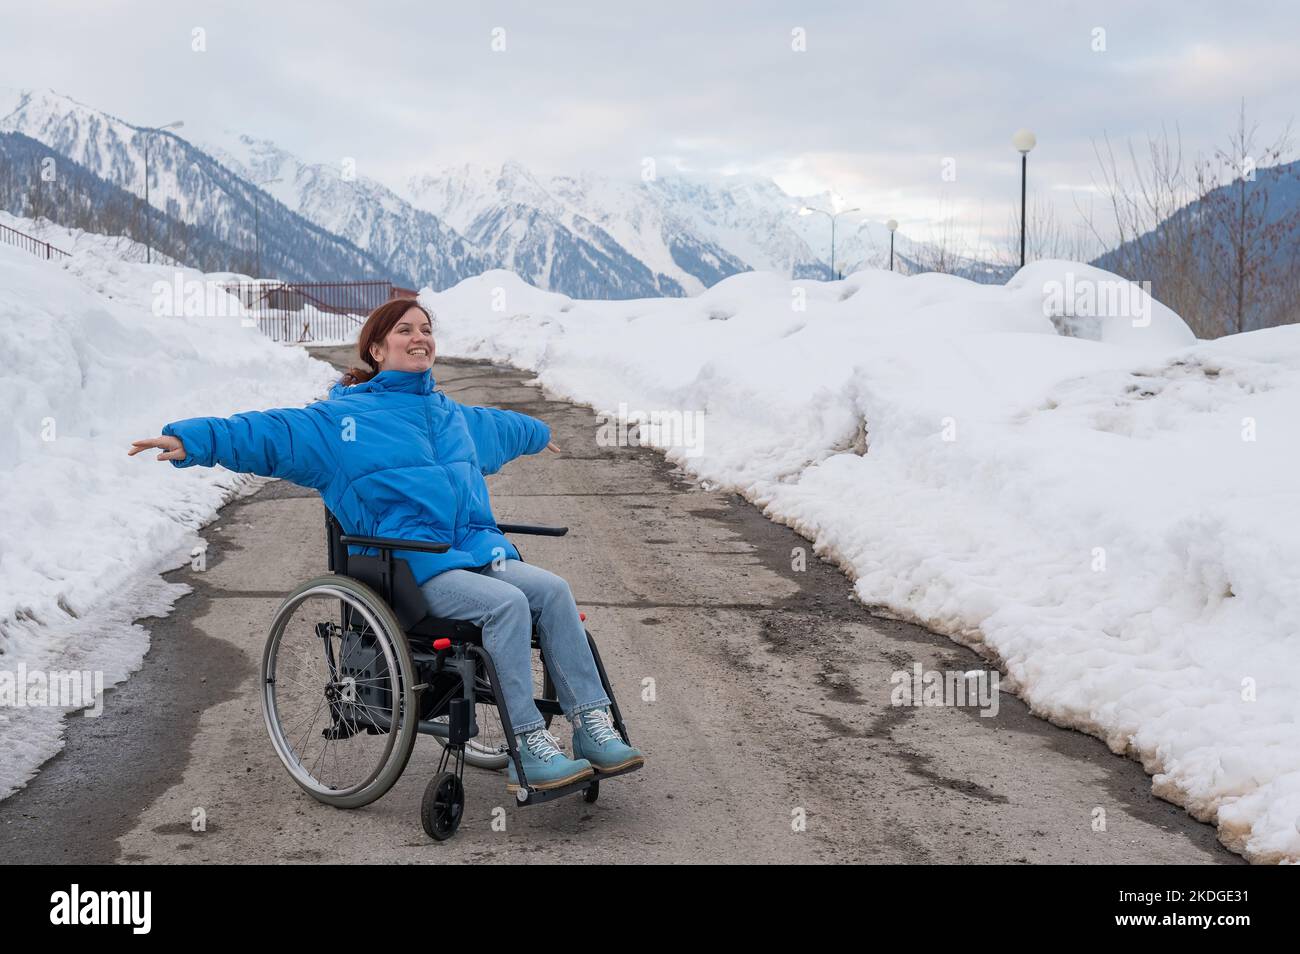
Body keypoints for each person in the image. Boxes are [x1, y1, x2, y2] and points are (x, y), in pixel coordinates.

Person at [129, 299, 643, 793]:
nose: (419, 338)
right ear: (376, 349)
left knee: (553, 590)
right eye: (405, 330)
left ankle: (589, 725)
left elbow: (500, 427)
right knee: (508, 605)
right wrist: (193, 440)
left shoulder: (450, 415)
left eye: (425, 330)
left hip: (477, 553)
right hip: (413, 569)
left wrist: (537, 432)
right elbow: (271, 433)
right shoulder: (338, 423)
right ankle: (530, 743)